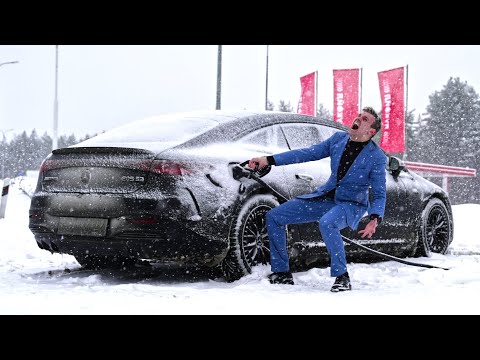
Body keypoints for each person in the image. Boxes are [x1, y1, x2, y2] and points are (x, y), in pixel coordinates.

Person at [248, 106, 387, 292]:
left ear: (370, 132)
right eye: (359, 116)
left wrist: (375, 217)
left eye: (364, 119)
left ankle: (342, 276)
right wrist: (269, 160)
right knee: (275, 216)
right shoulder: (338, 140)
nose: (358, 119)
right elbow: (307, 153)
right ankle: (281, 272)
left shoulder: (376, 156)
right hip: (325, 197)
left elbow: (379, 192)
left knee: (327, 223)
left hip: (351, 204)